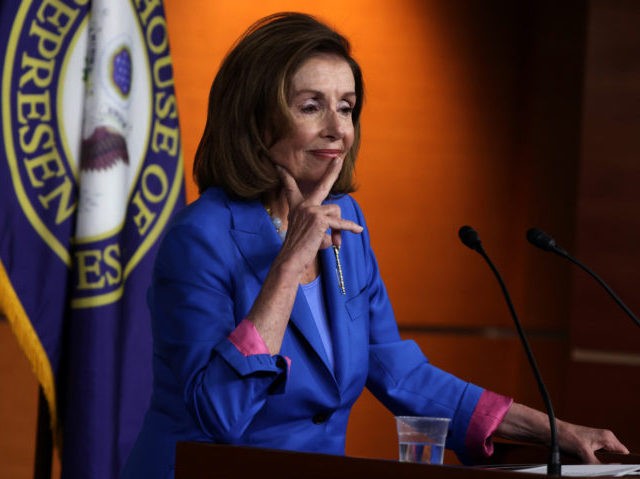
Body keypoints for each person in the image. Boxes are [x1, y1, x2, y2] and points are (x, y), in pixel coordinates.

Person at [121, 12, 628, 478]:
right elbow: (220, 415)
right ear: (255, 120)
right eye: (310, 107)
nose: (338, 129)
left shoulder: (347, 223)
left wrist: (551, 431)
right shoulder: (201, 237)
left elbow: (397, 371)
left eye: (346, 107)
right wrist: (288, 263)